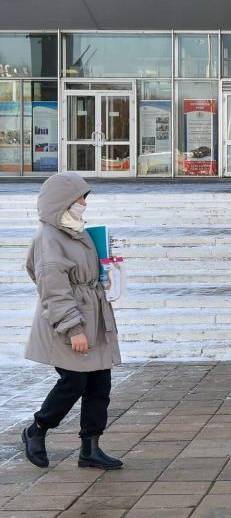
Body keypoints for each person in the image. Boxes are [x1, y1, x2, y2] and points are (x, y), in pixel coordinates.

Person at [22, 172, 123, 470]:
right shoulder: (49, 238)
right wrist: (73, 328)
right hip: (70, 323)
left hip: (94, 317)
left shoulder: (75, 231)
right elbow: (53, 289)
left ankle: (90, 447)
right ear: (61, 201)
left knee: (99, 385)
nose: (84, 204)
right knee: (73, 382)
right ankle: (37, 429)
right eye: (79, 198)